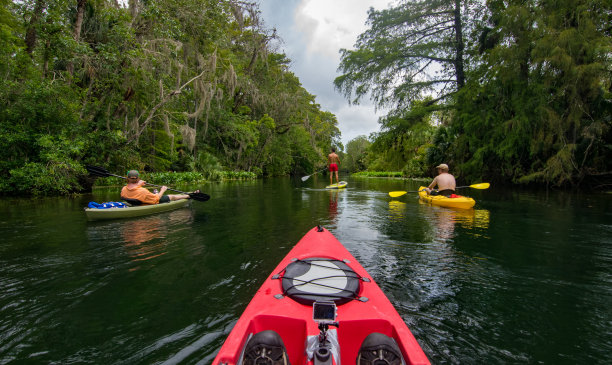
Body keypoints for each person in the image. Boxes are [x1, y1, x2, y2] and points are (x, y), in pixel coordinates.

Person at [120, 170, 193, 205]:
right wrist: (163, 190)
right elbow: (156, 199)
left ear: (127, 178)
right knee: (171, 196)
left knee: (154, 194)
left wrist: (138, 185)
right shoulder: (143, 191)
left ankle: (156, 192)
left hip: (138, 200)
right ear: (138, 179)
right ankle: (188, 196)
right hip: (148, 202)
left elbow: (133, 189)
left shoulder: (123, 189)